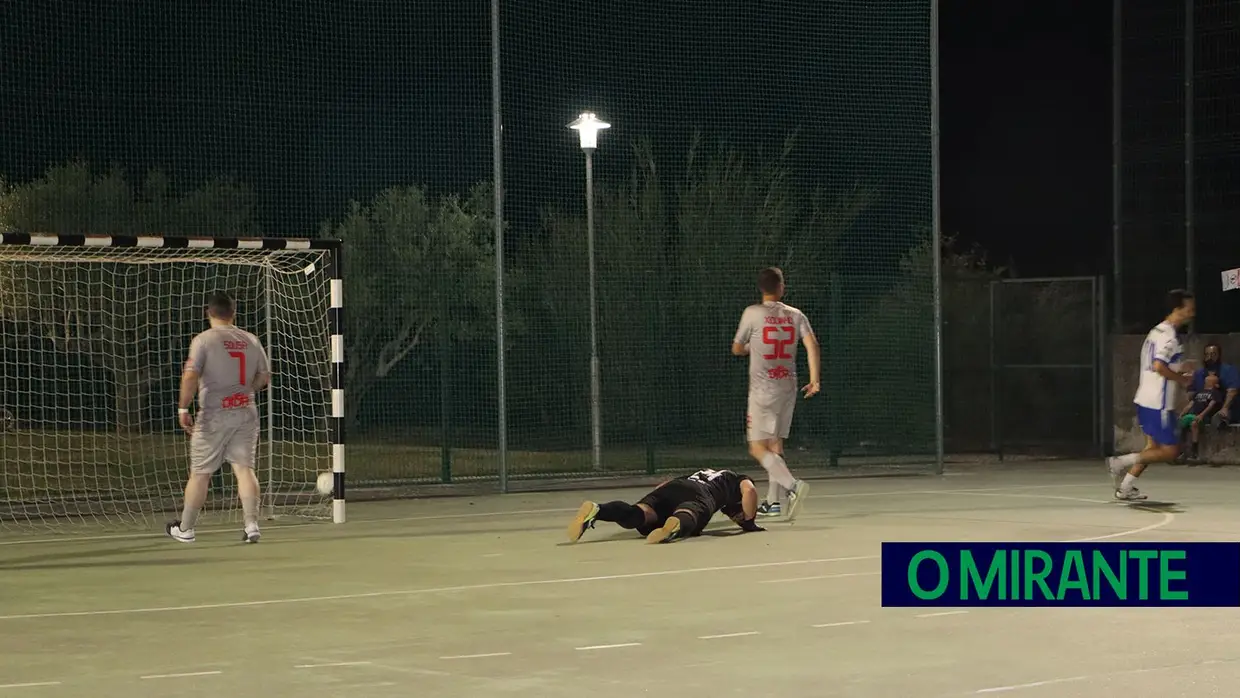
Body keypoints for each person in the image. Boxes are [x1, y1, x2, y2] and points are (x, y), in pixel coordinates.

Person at [167, 291, 271, 544]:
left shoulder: (203, 340)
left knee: (201, 473)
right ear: (233, 313)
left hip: (214, 415)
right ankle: (251, 524)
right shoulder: (251, 339)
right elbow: (264, 376)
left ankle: (186, 528)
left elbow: (191, 376)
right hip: (245, 411)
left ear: (208, 314)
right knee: (244, 469)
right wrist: (246, 390)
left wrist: (183, 408)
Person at [731, 267, 820, 521]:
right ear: (782, 287)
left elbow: (737, 348)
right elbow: (812, 344)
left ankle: (793, 486)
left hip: (763, 390)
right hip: (788, 386)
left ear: (761, 288)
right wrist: (814, 380)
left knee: (757, 448)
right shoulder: (795, 314)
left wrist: (752, 347)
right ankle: (774, 502)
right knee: (775, 443)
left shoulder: (752, 313)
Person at [1107, 289, 1196, 501]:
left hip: (1145, 397)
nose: (1192, 313)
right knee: (1171, 452)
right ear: (1177, 310)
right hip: (1159, 403)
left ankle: (1126, 488)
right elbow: (1159, 366)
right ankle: (1119, 462)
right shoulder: (1170, 337)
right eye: (1189, 309)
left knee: (1152, 449)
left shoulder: (1155, 332)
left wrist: (1180, 368)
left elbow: (1158, 364)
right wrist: (1183, 379)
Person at [566, 468, 764, 544]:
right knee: (690, 513)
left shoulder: (700, 472)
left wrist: (653, 500)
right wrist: (749, 522)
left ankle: (598, 510)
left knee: (640, 514)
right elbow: (750, 492)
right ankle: (675, 525)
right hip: (701, 494)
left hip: (673, 486)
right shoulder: (734, 479)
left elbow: (662, 486)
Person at [1189, 342, 1240, 425]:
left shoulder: (1229, 370)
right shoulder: (1199, 373)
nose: (1209, 357)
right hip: (1203, 410)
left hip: (1223, 409)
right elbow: (1191, 394)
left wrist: (1225, 408)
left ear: (1219, 355)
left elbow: (1232, 391)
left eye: (1213, 354)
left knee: (1220, 418)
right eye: (1207, 354)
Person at [1177, 373, 1223, 462]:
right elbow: (1190, 404)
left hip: (1204, 417)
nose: (1207, 380)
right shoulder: (1199, 392)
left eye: (1210, 380)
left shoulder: (1215, 393)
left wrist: (1202, 415)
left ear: (1215, 383)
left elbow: (1210, 406)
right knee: (1181, 424)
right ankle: (1182, 451)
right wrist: (1182, 413)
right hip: (1193, 415)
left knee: (1194, 424)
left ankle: (1195, 453)